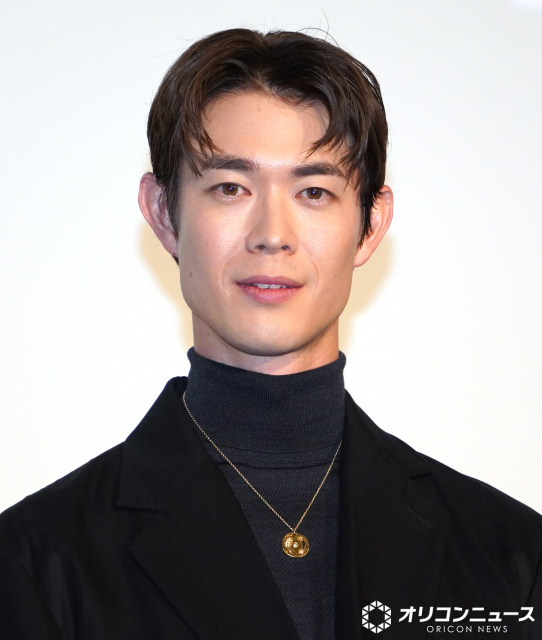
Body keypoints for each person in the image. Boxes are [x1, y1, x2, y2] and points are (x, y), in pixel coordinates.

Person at [0, 27, 540, 640]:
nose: (272, 235)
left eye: (314, 192)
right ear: (164, 213)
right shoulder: (36, 563)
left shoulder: (512, 559)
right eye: (231, 188)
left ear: (369, 225)